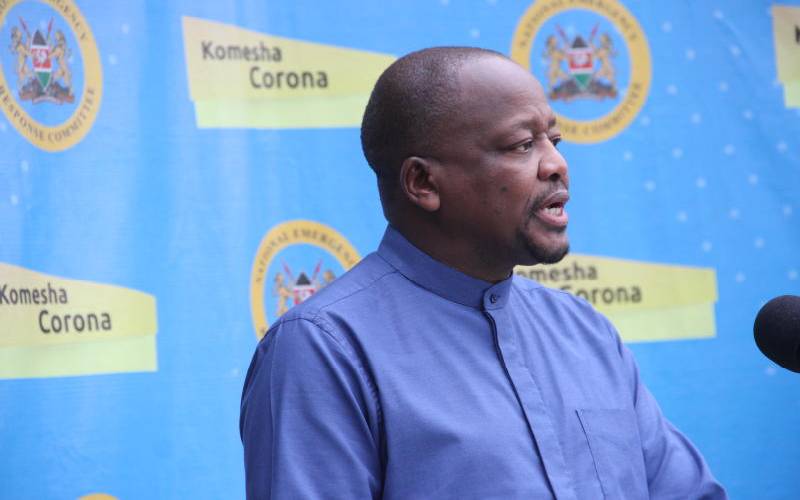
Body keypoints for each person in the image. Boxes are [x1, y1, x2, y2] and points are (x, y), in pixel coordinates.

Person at [240, 47, 727, 499]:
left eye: (554, 140)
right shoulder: (324, 349)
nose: (557, 164)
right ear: (423, 182)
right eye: (522, 145)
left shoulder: (585, 331)